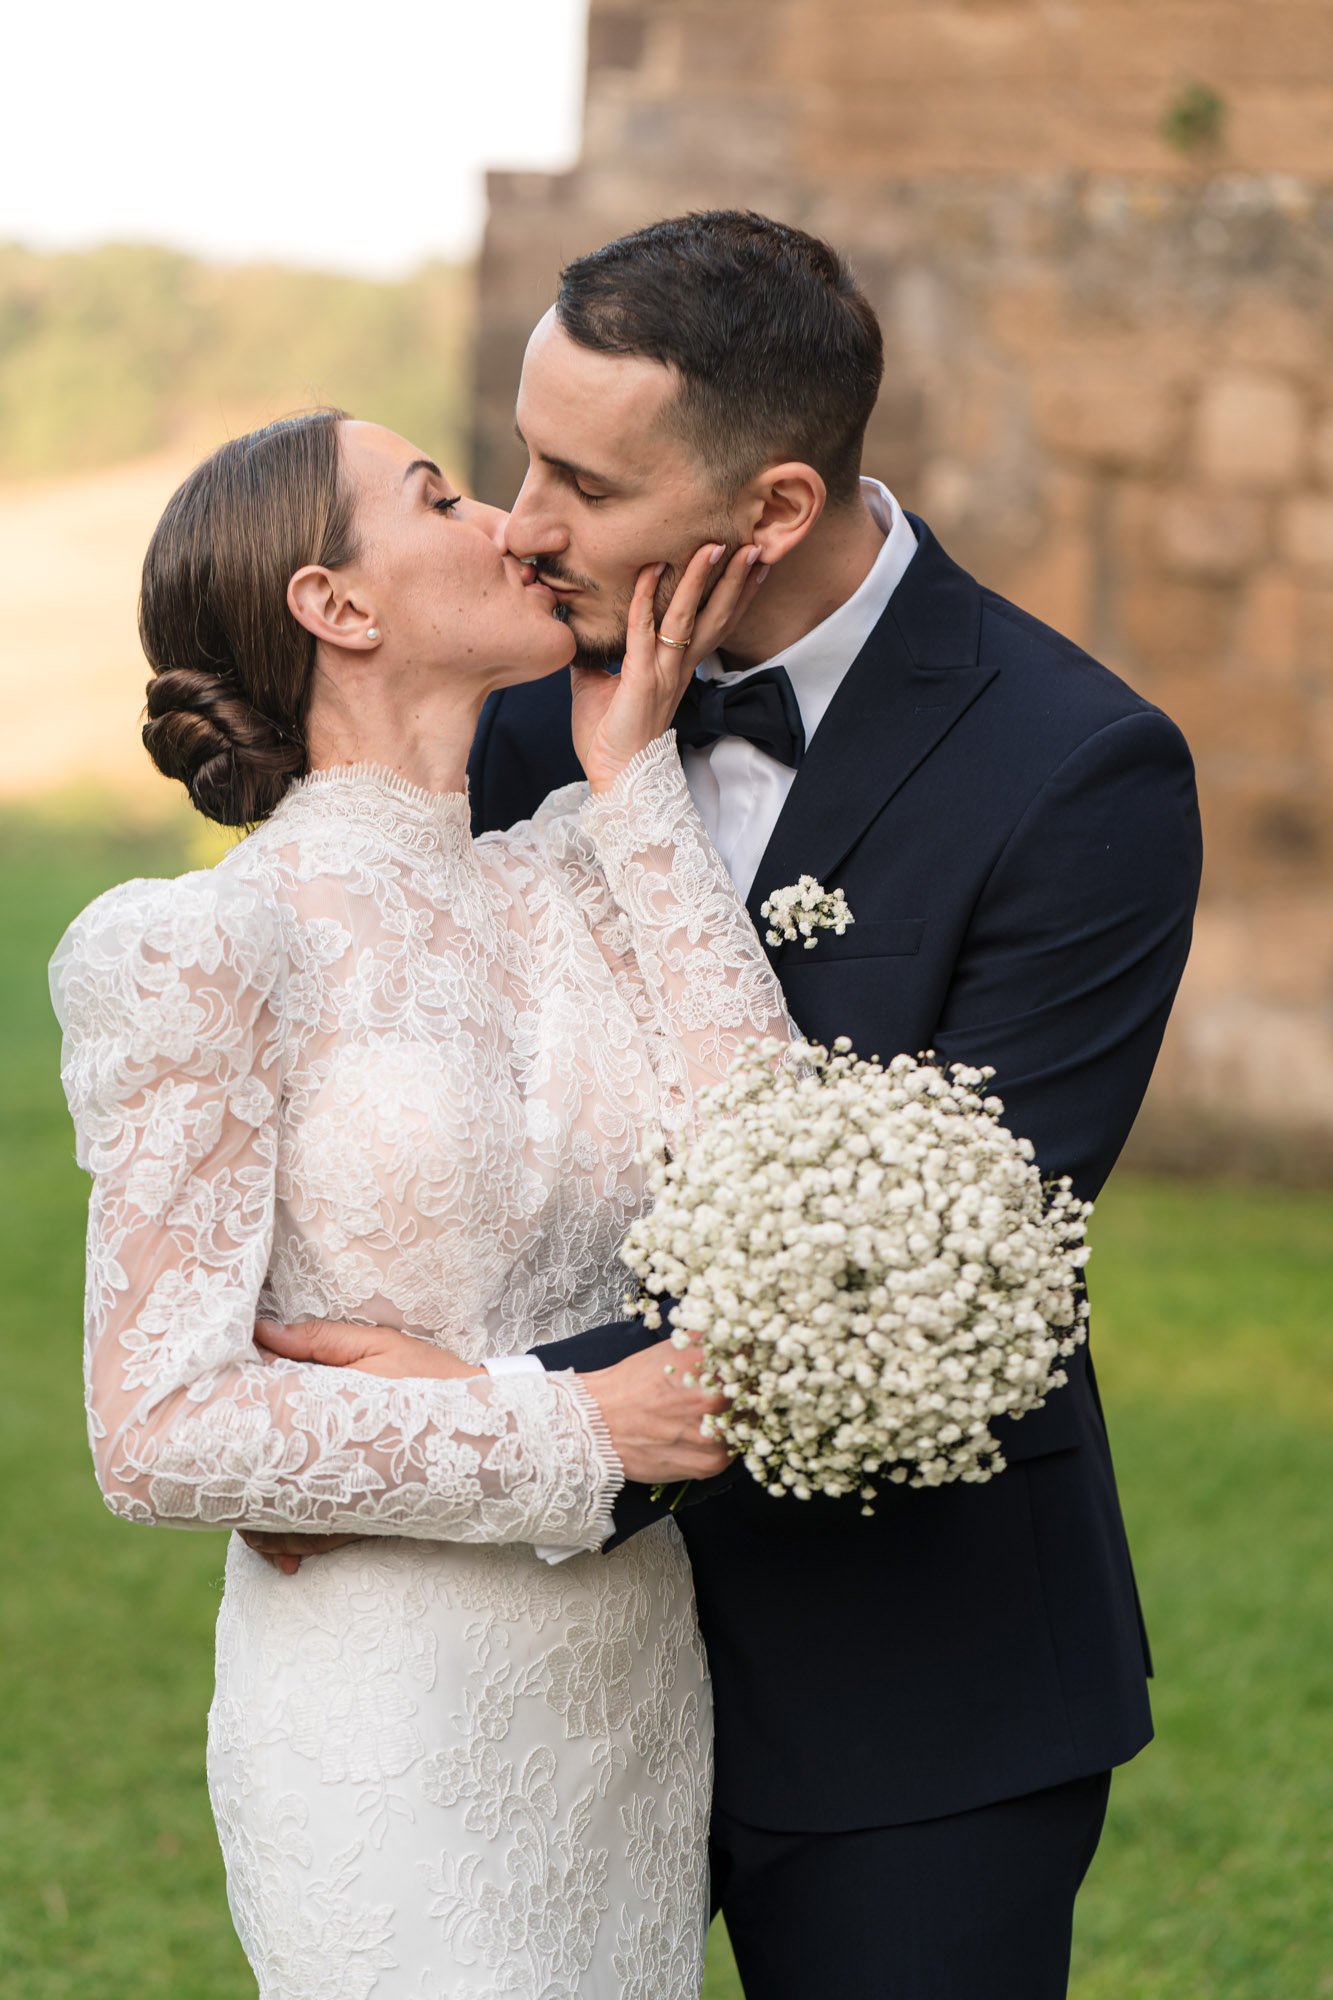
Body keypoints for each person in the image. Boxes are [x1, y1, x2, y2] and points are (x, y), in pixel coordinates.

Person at [301, 211, 1201, 1999]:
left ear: (771, 508)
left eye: (581, 481)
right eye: (514, 452)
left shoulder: (1076, 770)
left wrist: (471, 1427)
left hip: (910, 1682)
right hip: (513, 1657)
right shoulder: (497, 713)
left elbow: (924, 1285)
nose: (521, 521)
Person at [50, 406, 792, 1999]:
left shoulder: (585, 870)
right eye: (439, 496)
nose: (510, 525)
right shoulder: (204, 949)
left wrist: (636, 788)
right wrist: (574, 1429)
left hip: (624, 1687)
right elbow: (158, 1428)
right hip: (382, 1699)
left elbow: (782, 1193)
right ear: (339, 604)